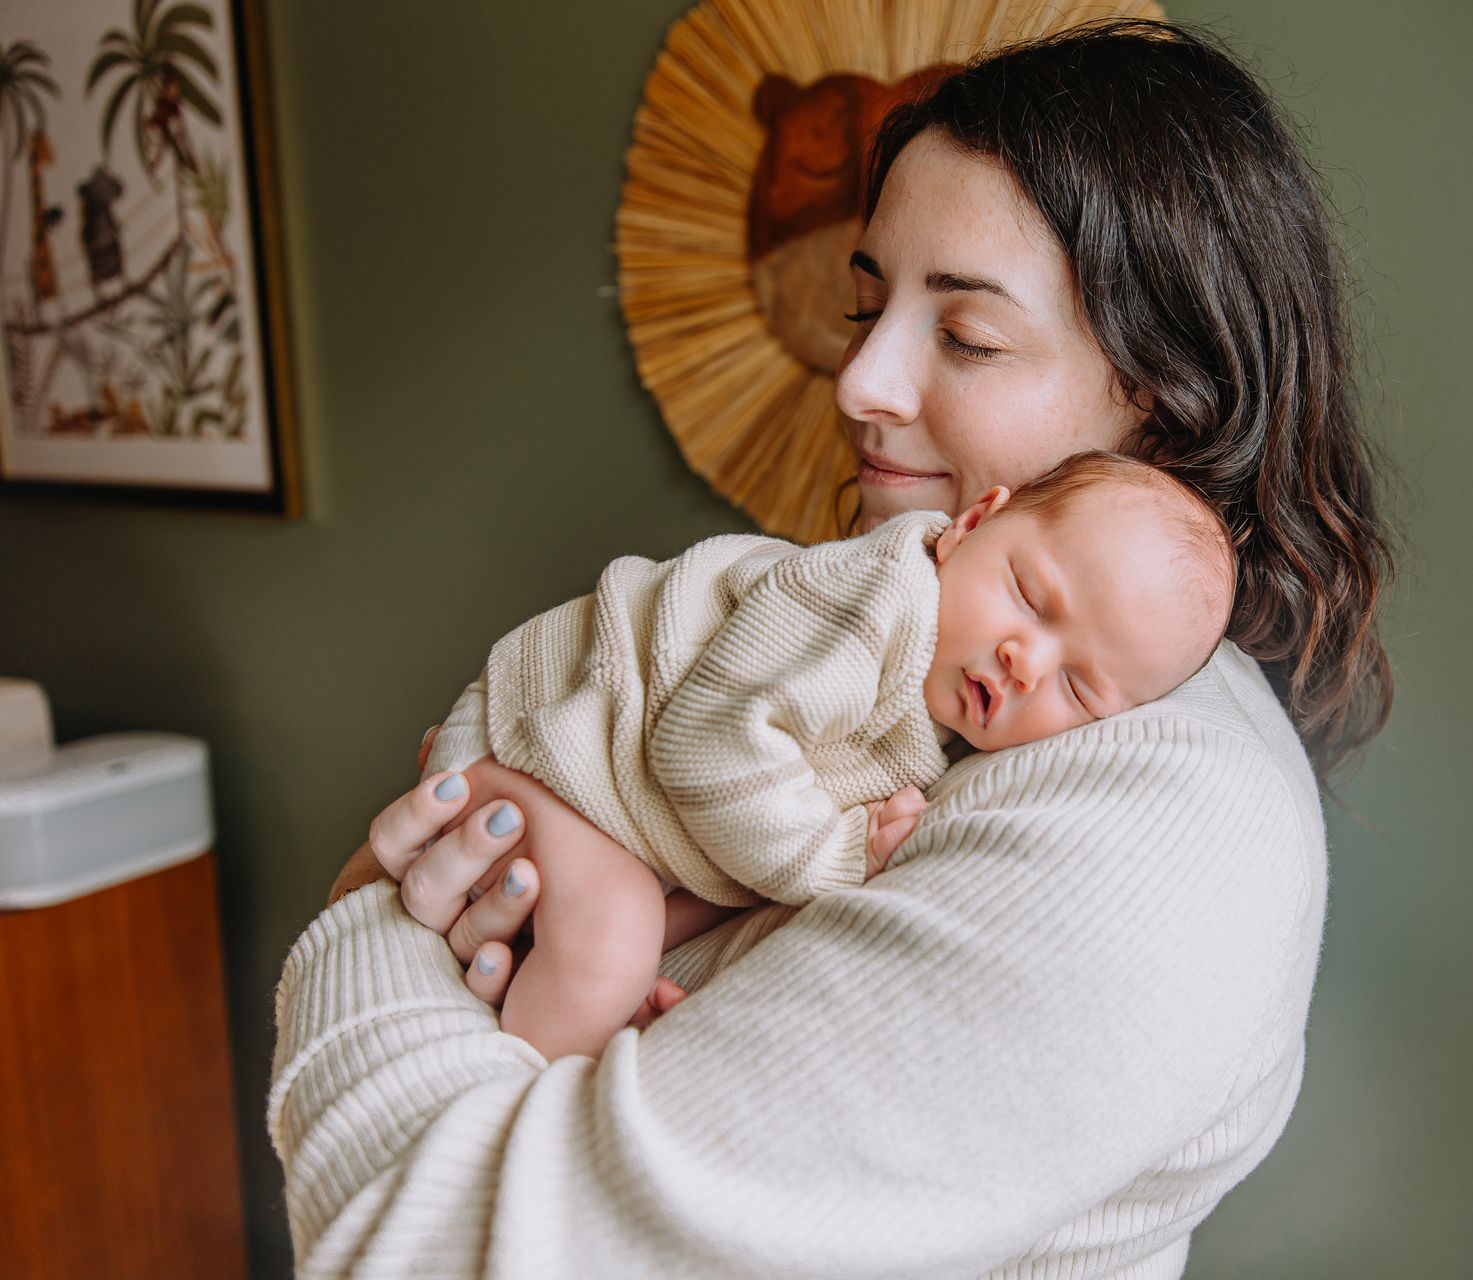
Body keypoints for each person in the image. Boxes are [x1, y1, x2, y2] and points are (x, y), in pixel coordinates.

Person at [270, 19, 1394, 1277]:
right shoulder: (936, 688)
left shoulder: (1156, 822)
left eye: (966, 336)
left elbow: (412, 1253)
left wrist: (371, 928)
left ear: (1167, 396)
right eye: (868, 306)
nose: (860, 378)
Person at [404, 453, 1233, 1060]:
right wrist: (843, 857)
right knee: (615, 937)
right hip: (553, 736)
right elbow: (705, 742)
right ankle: (506, 1107)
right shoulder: (873, 603)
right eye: (1028, 594)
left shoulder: (953, 706)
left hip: (622, 798)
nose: (1027, 661)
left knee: (662, 936)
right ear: (972, 525)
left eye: (1080, 687)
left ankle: (575, 1024)